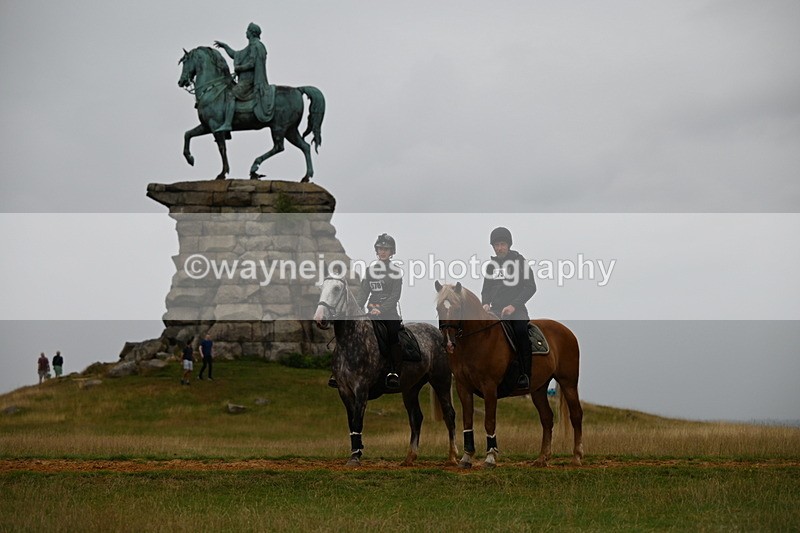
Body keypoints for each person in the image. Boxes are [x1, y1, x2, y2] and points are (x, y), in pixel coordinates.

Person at [481, 227, 537, 389]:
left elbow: (531, 287)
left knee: (520, 332)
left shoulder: (520, 262)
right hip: (495, 311)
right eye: (496, 245)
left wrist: (513, 305)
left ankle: (525, 375)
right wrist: (485, 303)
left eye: (502, 244)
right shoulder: (491, 267)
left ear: (509, 245)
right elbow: (486, 290)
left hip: (516, 310)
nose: (499, 248)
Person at [214, 22, 275, 133]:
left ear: (251, 33)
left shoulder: (255, 46)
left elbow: (252, 63)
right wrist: (225, 46)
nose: (245, 32)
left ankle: (227, 124)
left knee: (231, 95)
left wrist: (239, 68)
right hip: (245, 80)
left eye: (247, 30)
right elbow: (235, 54)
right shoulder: (251, 46)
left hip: (249, 81)